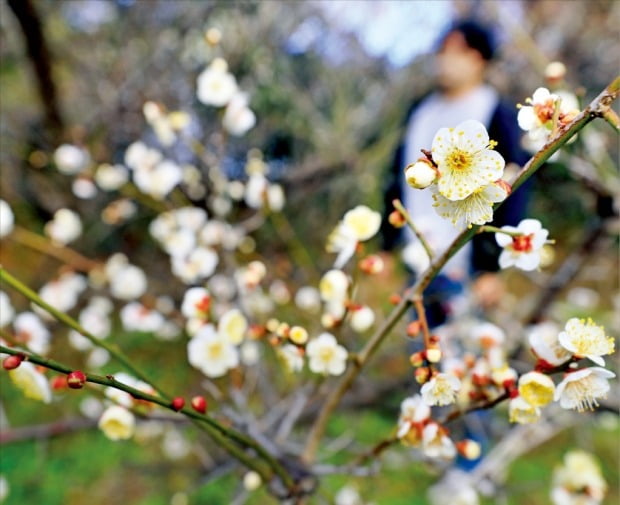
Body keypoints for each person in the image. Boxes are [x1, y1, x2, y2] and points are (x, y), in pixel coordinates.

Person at [381, 18, 530, 327]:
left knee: (463, 349)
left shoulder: (493, 110)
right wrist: (386, 245)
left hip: (467, 259)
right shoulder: (421, 111)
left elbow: (512, 185)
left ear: (480, 60)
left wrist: (492, 267)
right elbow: (397, 178)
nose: (446, 59)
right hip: (418, 251)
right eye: (443, 50)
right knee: (425, 344)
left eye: (459, 51)